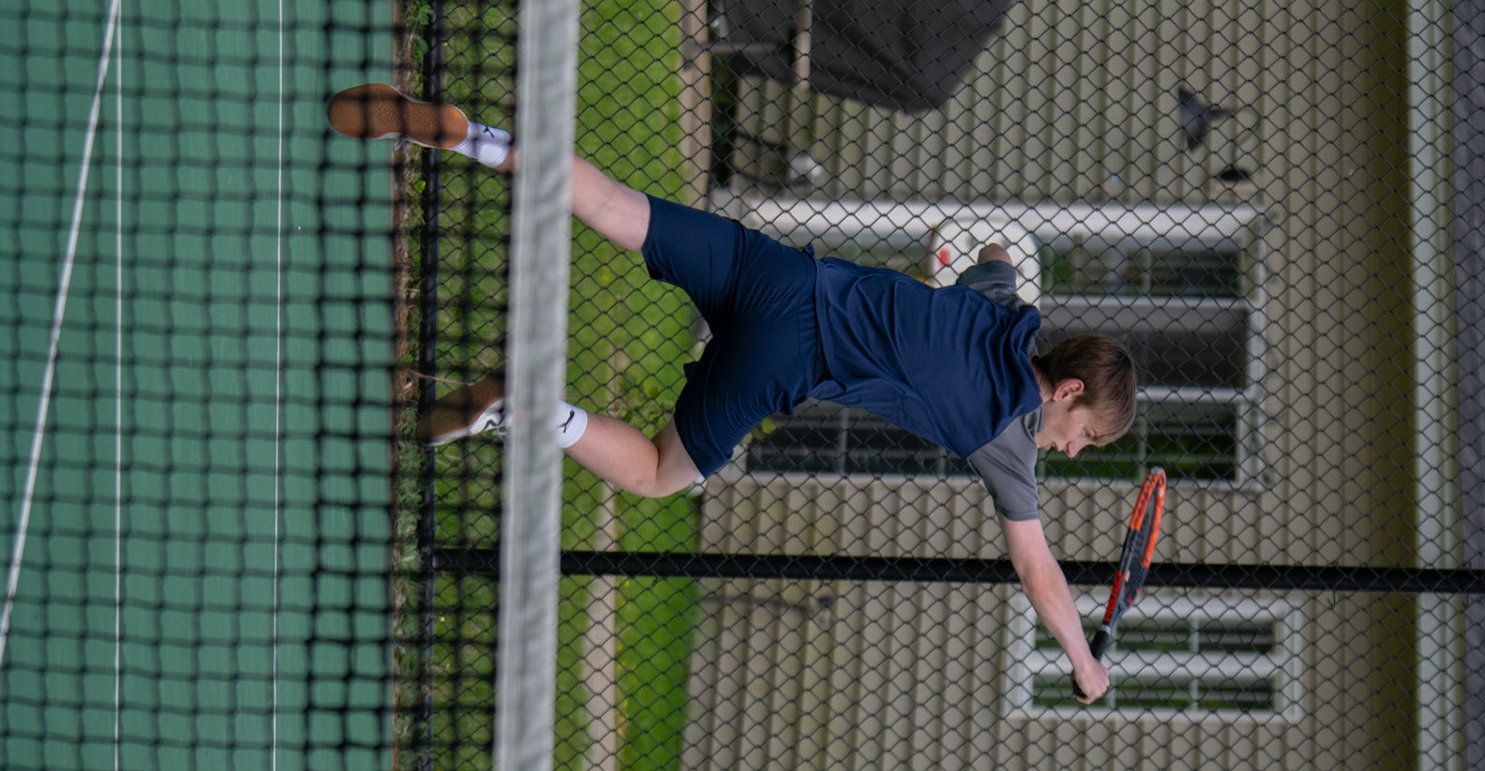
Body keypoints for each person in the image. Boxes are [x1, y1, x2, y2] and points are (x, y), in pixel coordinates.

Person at [329, 82, 1138, 704]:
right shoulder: (1006, 439)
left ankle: (475, 138)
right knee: (657, 472)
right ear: (1066, 390)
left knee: (613, 205)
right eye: (1084, 433)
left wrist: (947, 280)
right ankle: (527, 411)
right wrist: (1084, 664)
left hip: (778, 272)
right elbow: (1037, 571)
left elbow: (994, 251)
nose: (1071, 450)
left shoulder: (1006, 313)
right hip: (783, 357)